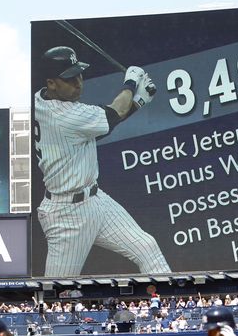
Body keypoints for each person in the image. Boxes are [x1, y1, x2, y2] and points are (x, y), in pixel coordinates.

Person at [33, 46, 171, 277]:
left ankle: (171, 310)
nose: (78, 82)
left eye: (78, 74)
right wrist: (131, 84)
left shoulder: (41, 99)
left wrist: (138, 102)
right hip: (67, 214)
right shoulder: (61, 116)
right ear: (51, 82)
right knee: (57, 293)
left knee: (147, 247)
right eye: (69, 78)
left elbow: (101, 126)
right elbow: (111, 114)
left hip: (95, 199)